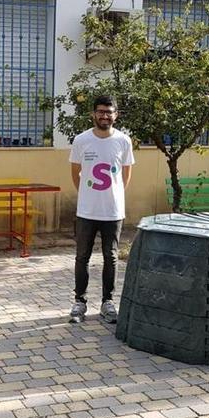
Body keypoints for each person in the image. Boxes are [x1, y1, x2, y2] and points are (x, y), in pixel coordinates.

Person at [68, 95, 134, 324]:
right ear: (93, 114)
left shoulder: (124, 141)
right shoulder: (81, 140)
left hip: (113, 212)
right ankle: (79, 302)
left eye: (109, 112)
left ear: (115, 115)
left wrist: (112, 196)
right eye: (100, 111)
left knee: (111, 258)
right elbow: (76, 173)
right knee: (82, 257)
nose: (104, 115)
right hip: (87, 211)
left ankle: (108, 302)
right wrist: (89, 196)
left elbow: (125, 175)